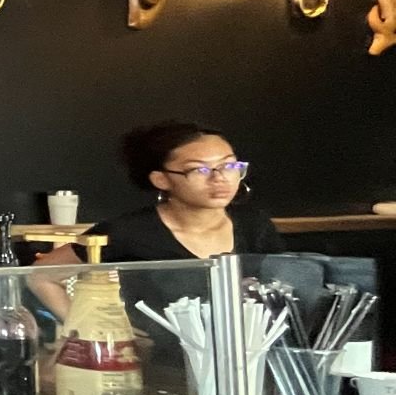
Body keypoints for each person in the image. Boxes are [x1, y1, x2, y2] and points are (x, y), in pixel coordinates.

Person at [32, 121, 281, 313]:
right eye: (199, 170)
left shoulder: (254, 224)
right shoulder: (128, 231)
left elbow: (281, 289)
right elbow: (39, 275)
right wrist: (83, 330)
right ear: (161, 179)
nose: (219, 178)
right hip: (160, 368)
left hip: (249, 358)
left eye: (229, 166)